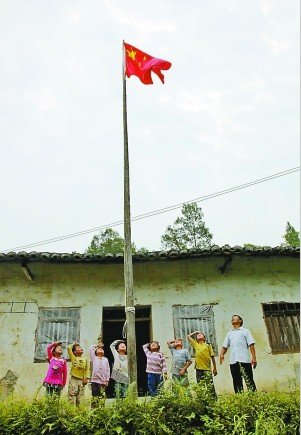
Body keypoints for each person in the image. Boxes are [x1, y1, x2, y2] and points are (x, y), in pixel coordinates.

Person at [219, 314, 257, 393]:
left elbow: (251, 345)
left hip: (244, 360)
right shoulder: (229, 334)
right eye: (232, 318)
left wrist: (253, 358)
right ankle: (240, 399)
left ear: (240, 321)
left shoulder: (246, 332)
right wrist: (222, 354)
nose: (232, 318)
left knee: (249, 380)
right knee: (236, 382)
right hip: (233, 361)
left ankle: (254, 399)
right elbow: (225, 346)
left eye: (235, 317)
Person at [187, 331, 217, 396]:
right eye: (198, 335)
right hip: (198, 369)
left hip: (207, 369)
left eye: (201, 334)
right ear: (196, 339)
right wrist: (196, 332)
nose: (199, 335)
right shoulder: (195, 344)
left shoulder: (208, 345)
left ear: (204, 338)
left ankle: (213, 399)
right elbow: (188, 336)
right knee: (200, 385)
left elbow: (212, 357)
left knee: (210, 386)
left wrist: (215, 368)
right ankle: (202, 400)